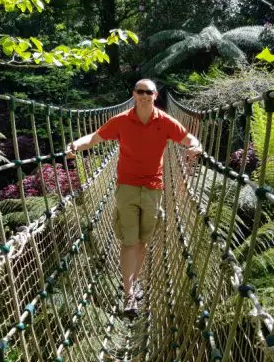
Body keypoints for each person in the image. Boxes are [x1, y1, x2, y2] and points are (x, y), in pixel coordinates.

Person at [67, 79, 202, 317]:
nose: (144, 95)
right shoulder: (121, 120)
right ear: (133, 94)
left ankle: (133, 281)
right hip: (127, 187)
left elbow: (189, 139)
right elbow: (95, 138)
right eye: (140, 91)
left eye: (148, 92)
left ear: (155, 95)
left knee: (142, 241)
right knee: (129, 241)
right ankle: (129, 295)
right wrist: (75, 145)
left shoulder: (165, 121)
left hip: (153, 187)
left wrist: (196, 147)